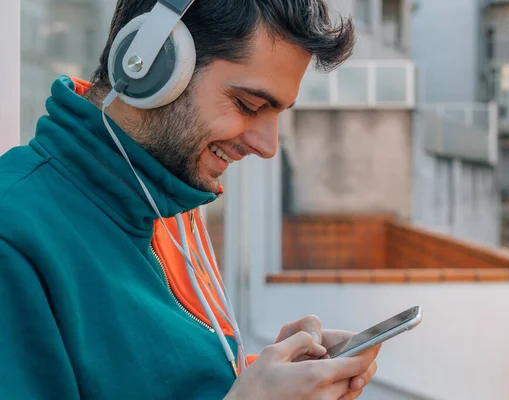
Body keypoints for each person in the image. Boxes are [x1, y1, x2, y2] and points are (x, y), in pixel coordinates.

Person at [0, 0, 381, 399]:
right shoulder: (14, 238)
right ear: (148, 65)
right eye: (248, 105)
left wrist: (263, 378)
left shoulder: (167, 200)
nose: (267, 146)